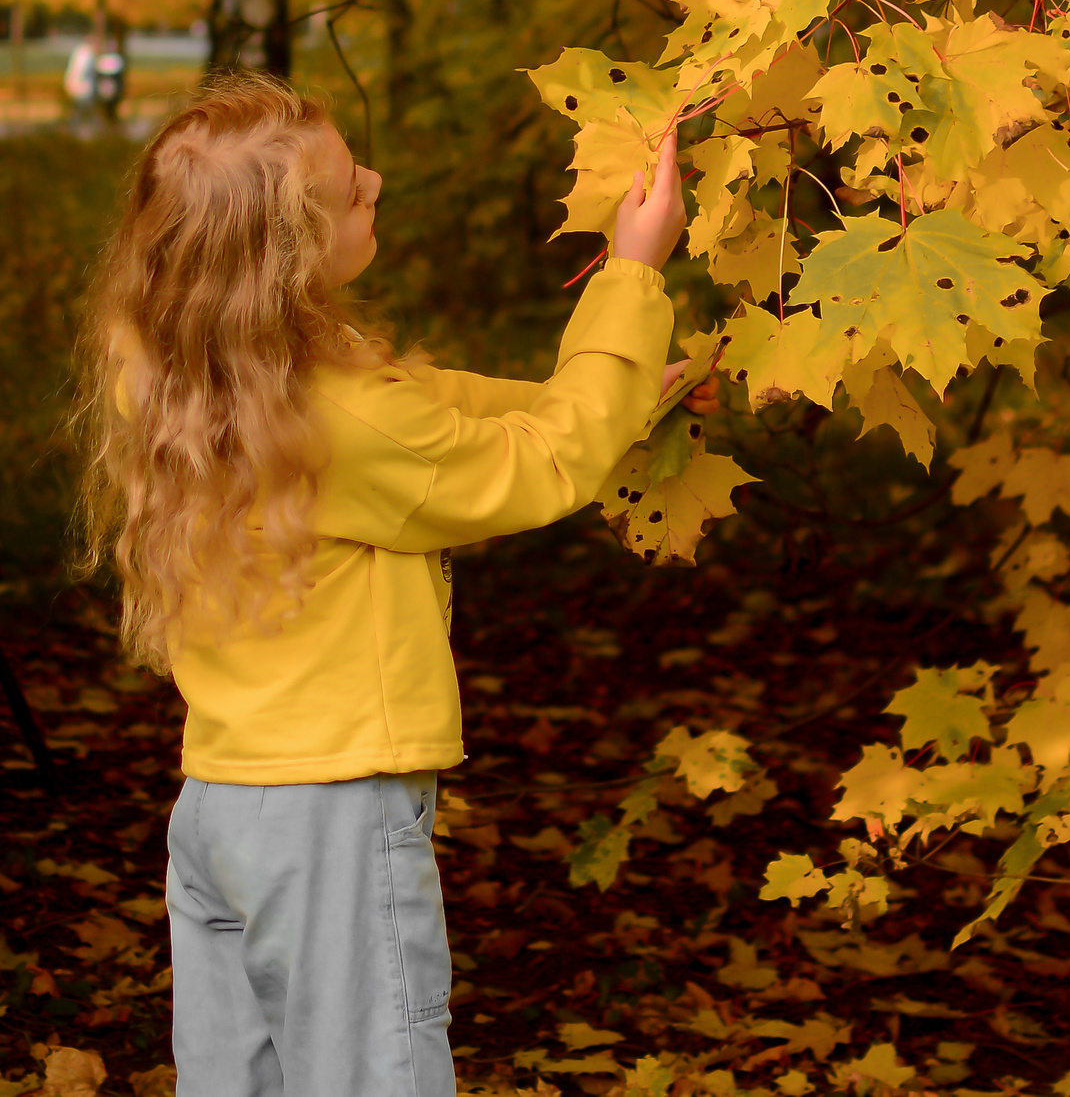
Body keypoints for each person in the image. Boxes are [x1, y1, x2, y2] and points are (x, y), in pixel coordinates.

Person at [74, 72, 688, 1097]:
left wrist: (607, 388)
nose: (377, 177)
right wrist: (631, 277)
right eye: (350, 189)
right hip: (332, 823)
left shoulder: (180, 363)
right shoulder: (336, 427)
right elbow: (537, 465)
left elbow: (428, 408)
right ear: (288, 257)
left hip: (221, 809)